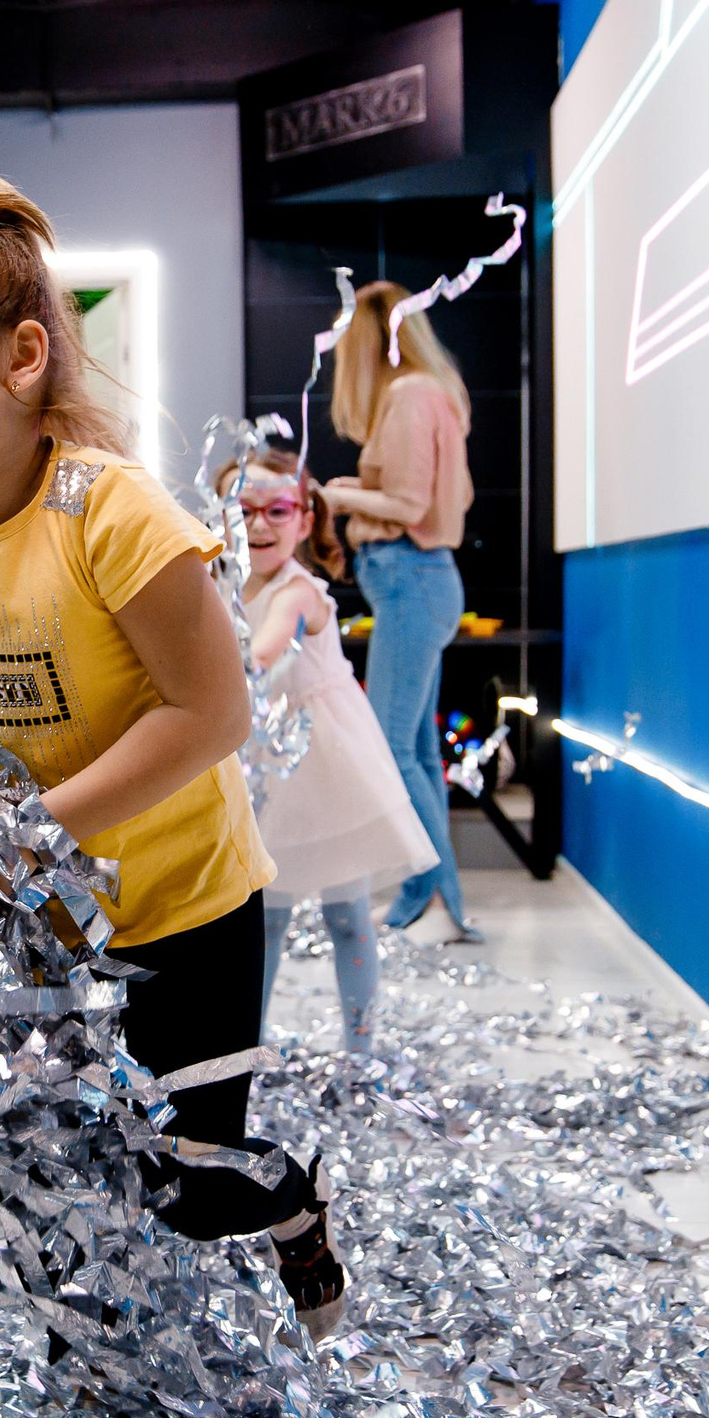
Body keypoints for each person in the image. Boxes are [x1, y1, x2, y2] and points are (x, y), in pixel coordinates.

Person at [0, 172, 345, 1338]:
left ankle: (286, 1203)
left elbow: (209, 715)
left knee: (180, 1182)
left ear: (24, 358)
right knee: (59, 1156)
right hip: (52, 918)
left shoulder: (111, 514)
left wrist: (34, 830)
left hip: (184, 905)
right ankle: (110, 1372)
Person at [229, 451, 437, 1056]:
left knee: (347, 917)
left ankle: (362, 1050)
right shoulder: (222, 588)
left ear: (303, 519)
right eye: (244, 511)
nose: (261, 525)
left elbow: (265, 650)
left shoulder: (299, 592)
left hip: (327, 769)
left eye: (278, 510)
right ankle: (247, 1047)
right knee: (263, 923)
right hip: (266, 767)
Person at [319, 281, 481, 941]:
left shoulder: (411, 396)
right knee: (413, 747)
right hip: (415, 582)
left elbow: (410, 505)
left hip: (411, 581)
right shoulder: (426, 393)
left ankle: (432, 891)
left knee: (392, 746)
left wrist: (335, 493)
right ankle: (437, 894)